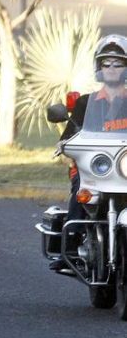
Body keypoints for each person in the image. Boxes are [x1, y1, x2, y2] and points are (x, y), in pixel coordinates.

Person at [49, 34, 127, 271]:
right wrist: (65, 147)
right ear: (99, 67)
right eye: (107, 63)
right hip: (92, 172)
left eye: (118, 63)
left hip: (124, 172)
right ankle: (71, 247)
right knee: (80, 190)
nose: (112, 68)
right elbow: (67, 139)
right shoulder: (86, 103)